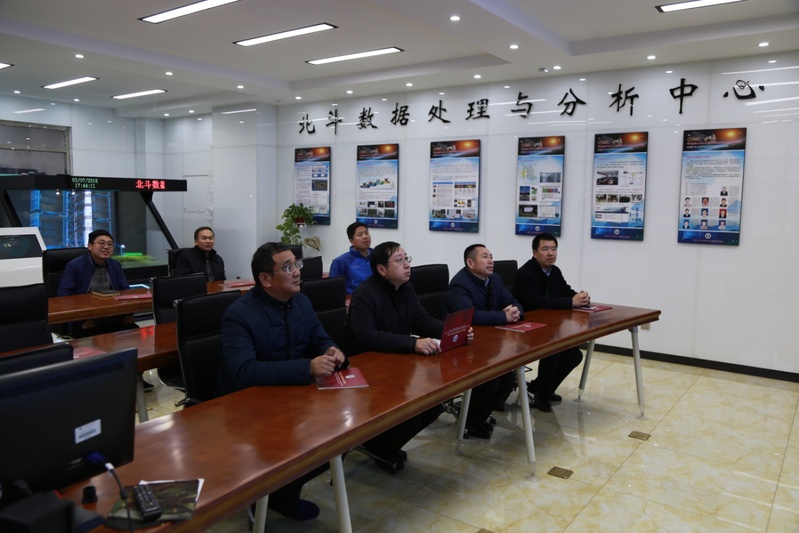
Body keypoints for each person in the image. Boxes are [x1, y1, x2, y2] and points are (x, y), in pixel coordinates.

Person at [215, 242, 347, 523]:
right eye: (288, 268)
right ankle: (266, 495)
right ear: (265, 279)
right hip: (246, 404)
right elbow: (245, 372)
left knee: (341, 436)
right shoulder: (239, 314)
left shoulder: (301, 302)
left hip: (291, 395)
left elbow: (319, 337)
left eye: (297, 264)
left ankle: (281, 495)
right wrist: (306, 368)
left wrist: (331, 350)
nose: (297, 272)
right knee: (299, 442)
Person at [343, 241, 473, 471]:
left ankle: (383, 445)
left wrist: (453, 331)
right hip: (368, 370)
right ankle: (379, 446)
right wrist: (412, 343)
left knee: (432, 404)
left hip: (396, 363)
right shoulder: (364, 295)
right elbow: (367, 337)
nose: (407, 265)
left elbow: (421, 320)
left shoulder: (406, 288)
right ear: (381, 269)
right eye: (399, 260)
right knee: (411, 413)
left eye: (407, 259)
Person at [448, 244, 522, 438]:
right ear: (470, 262)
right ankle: (471, 423)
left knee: (507, 377)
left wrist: (515, 312)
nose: (490, 261)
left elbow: (513, 301)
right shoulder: (460, 284)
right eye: (485, 257)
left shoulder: (494, 279)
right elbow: (469, 316)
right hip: (463, 343)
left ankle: (480, 414)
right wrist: (503, 316)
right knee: (490, 380)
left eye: (491, 256)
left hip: (489, 342)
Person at [511, 233, 588, 413]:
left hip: (548, 328)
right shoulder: (524, 274)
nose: (550, 253)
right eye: (545, 249)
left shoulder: (554, 271)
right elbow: (536, 302)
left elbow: (565, 290)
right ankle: (541, 396)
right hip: (525, 329)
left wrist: (580, 297)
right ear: (534, 252)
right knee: (553, 352)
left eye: (553, 249)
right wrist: (570, 302)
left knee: (574, 355)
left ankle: (542, 387)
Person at [57, 229, 138, 337]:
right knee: (93, 339)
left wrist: (128, 314)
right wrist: (81, 321)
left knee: (135, 334)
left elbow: (126, 291)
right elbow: (64, 296)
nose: (106, 247)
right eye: (101, 243)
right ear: (90, 246)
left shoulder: (115, 265)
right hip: (87, 317)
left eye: (110, 244)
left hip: (114, 316)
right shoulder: (75, 266)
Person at [329, 222, 372, 294]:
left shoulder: (378, 256)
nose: (365, 237)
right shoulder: (340, 262)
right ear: (351, 241)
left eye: (366, 233)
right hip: (354, 299)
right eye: (360, 234)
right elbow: (333, 288)